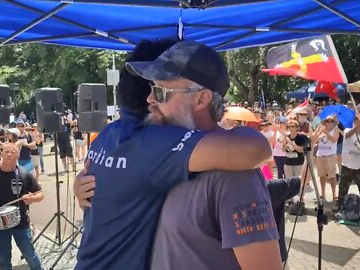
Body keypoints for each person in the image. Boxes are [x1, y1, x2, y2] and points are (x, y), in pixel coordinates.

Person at [73, 40, 279, 270]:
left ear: (202, 98)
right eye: (151, 88)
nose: (150, 99)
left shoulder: (235, 174)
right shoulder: (160, 150)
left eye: (161, 92)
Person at [0, 143, 44, 270]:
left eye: (13, 152)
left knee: (30, 256)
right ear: (1, 153)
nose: (9, 154)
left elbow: (40, 194)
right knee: (3, 259)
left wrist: (32, 199)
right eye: (6, 151)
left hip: (21, 222)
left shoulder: (24, 174)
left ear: (18, 156)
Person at [332, 117, 360, 216]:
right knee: (343, 187)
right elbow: (347, 135)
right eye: (355, 121)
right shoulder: (348, 130)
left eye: (358, 121)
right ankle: (340, 205)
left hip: (359, 166)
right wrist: (357, 126)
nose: (356, 123)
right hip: (346, 165)